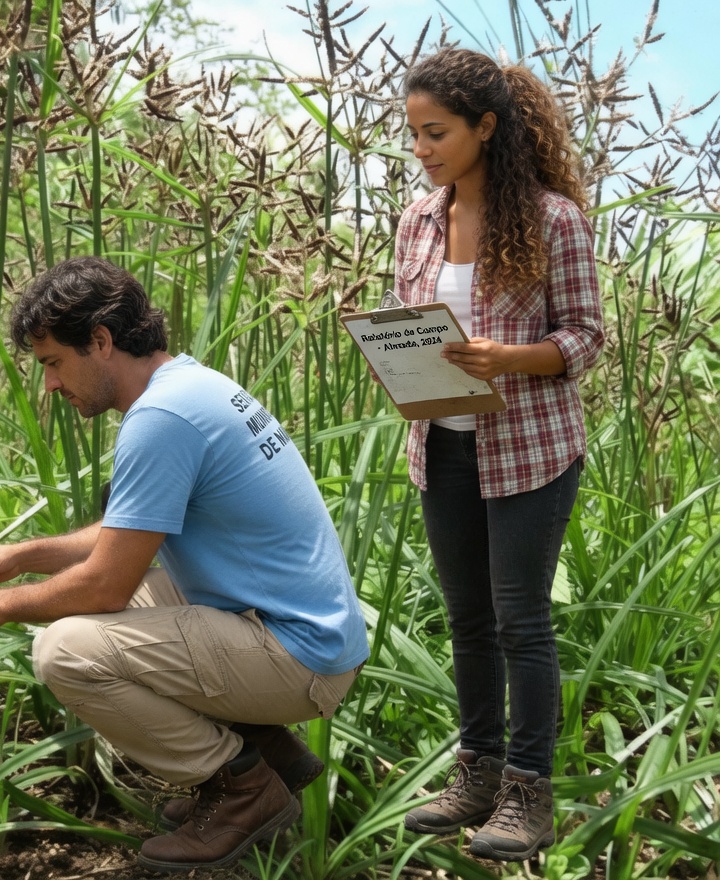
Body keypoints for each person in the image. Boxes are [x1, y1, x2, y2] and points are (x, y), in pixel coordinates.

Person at [0, 256, 370, 873]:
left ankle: (241, 789)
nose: (49, 386)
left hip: (299, 655)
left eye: (52, 364)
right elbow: (126, 535)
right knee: (130, 601)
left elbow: (106, 581)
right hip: (297, 625)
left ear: (100, 341)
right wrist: (22, 557)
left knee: (65, 650)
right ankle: (264, 747)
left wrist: (0, 607)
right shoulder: (189, 384)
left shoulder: (161, 420)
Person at [392, 49, 604, 861]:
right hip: (440, 444)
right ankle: (474, 775)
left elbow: (585, 339)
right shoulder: (417, 218)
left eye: (435, 132)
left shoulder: (555, 220)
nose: (422, 149)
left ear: (486, 126)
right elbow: (416, 319)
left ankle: (528, 793)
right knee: (466, 619)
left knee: (520, 621)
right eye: (413, 134)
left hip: (530, 451)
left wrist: (510, 359)